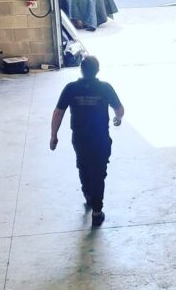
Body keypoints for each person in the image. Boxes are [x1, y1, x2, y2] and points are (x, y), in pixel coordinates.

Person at [50, 55, 124, 227]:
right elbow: (119, 110)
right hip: (100, 138)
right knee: (99, 172)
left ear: (81, 70)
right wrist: (117, 119)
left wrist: (54, 136)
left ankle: (88, 195)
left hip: (80, 138)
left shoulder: (71, 88)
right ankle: (97, 211)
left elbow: (58, 113)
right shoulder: (105, 88)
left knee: (83, 166)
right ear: (97, 70)